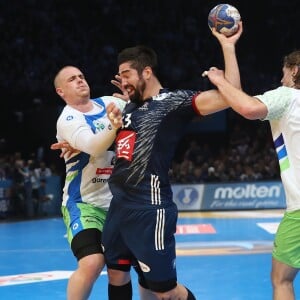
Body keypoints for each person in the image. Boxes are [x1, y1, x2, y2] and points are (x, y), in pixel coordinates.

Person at [102, 23, 243, 300]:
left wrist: (227, 48)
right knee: (116, 274)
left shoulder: (172, 102)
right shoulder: (129, 108)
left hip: (149, 209)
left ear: (147, 72)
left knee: (166, 292)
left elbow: (233, 96)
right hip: (118, 206)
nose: (123, 80)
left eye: (127, 74)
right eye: (120, 76)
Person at [205, 50, 300, 300]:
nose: (281, 80)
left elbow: (247, 108)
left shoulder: (288, 96)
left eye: (284, 73)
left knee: (282, 279)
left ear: (295, 70)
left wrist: (220, 80)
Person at [52, 65, 131, 300]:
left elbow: (143, 121)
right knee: (92, 262)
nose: (79, 81)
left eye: (81, 76)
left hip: (118, 203)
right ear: (61, 91)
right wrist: (116, 125)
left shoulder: (109, 102)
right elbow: (95, 146)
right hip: (84, 203)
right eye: (72, 79)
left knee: (120, 271)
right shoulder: (68, 118)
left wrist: (132, 103)